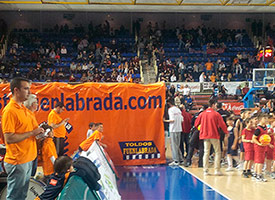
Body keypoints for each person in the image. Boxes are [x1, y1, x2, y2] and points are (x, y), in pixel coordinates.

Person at [2, 77, 44, 200]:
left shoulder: (24, 110)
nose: (29, 92)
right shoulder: (10, 111)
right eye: (26, 89)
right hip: (18, 161)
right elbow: (9, 138)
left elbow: (33, 133)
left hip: (28, 158)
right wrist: (32, 132)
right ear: (16, 90)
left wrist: (42, 134)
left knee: (22, 195)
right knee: (15, 197)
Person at [195, 99, 228, 175]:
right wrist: (226, 132)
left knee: (206, 152)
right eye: (216, 105)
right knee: (217, 152)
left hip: (205, 135)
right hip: (214, 135)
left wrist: (201, 129)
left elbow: (196, 124)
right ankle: (217, 170)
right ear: (213, 105)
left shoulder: (202, 114)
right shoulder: (216, 114)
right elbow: (222, 125)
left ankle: (205, 170)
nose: (216, 106)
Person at [164, 100, 184, 166]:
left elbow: (172, 120)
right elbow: (182, 120)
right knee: (177, 145)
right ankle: (180, 159)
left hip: (173, 129)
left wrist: (165, 120)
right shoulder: (178, 110)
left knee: (174, 145)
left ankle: (176, 160)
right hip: (179, 129)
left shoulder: (170, 110)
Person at [24, 94, 39, 177]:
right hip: (27, 150)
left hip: (32, 148)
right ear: (32, 104)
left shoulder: (31, 115)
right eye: (36, 103)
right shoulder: (27, 115)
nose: (37, 105)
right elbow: (29, 132)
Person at [252, 114, 269, 182]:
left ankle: (256, 174)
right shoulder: (258, 129)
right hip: (259, 147)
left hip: (263, 147)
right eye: (264, 118)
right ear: (260, 120)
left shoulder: (265, 128)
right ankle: (259, 175)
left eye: (266, 118)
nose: (266, 119)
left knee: (258, 161)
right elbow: (253, 138)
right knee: (260, 162)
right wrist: (259, 143)